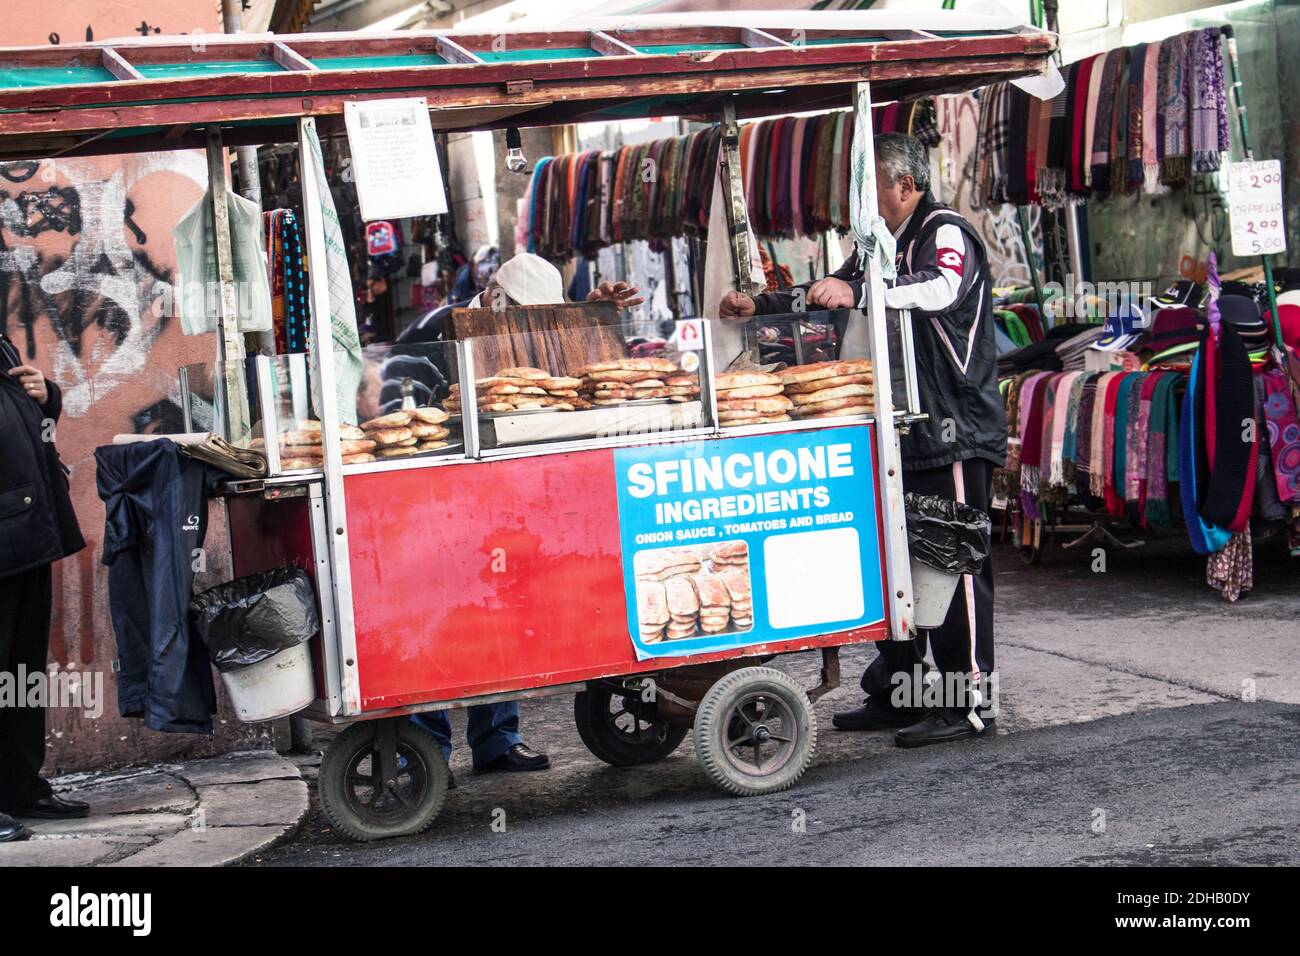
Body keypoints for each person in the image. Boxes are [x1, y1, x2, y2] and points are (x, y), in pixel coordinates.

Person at [719, 133, 1005, 748]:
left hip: (952, 426)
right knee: (901, 565)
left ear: (905, 186)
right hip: (901, 427)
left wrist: (866, 290)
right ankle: (902, 690)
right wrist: (760, 305)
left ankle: (968, 700)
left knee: (955, 563)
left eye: (872, 187)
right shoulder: (876, 245)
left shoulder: (945, 230)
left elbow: (940, 290)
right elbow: (828, 294)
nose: (862, 201)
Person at [408, 253, 642, 777]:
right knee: (445, 616)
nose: (526, 328)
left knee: (499, 614)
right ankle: (427, 750)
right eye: (520, 314)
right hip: (440, 495)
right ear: (493, 296)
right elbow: (405, 415)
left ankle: (496, 740)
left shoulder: (534, 330)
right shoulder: (436, 334)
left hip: (509, 496)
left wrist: (591, 315)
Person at [0, 332, 90, 842]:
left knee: (20, 672)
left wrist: (44, 393)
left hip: (25, 527)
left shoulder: (1, 343)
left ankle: (19, 787)